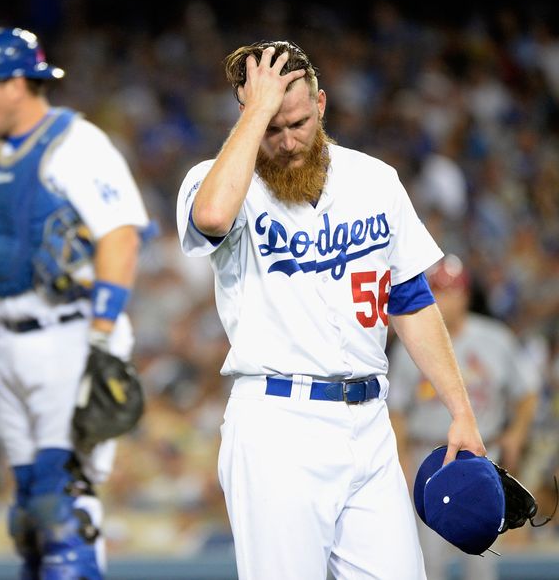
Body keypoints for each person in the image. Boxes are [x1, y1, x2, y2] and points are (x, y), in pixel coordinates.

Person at [176, 40, 486, 579]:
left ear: (321, 105)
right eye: (271, 127)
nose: (288, 141)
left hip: (370, 423)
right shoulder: (223, 180)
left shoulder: (374, 180)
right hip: (277, 425)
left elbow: (410, 300)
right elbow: (212, 216)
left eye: (295, 122)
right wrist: (257, 115)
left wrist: (461, 409)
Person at [0, 27, 150, 579]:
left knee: (61, 500)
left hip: (71, 333)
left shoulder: (76, 142)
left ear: (15, 84)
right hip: (9, 340)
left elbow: (121, 235)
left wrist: (100, 335)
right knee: (30, 517)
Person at [388, 254, 540, 580]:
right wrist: (402, 459)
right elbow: (396, 409)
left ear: (466, 294)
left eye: (452, 290)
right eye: (438, 290)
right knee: (428, 559)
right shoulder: (411, 342)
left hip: (480, 454)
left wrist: (515, 433)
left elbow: (528, 392)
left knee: (482, 561)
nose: (446, 297)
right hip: (429, 456)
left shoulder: (495, 338)